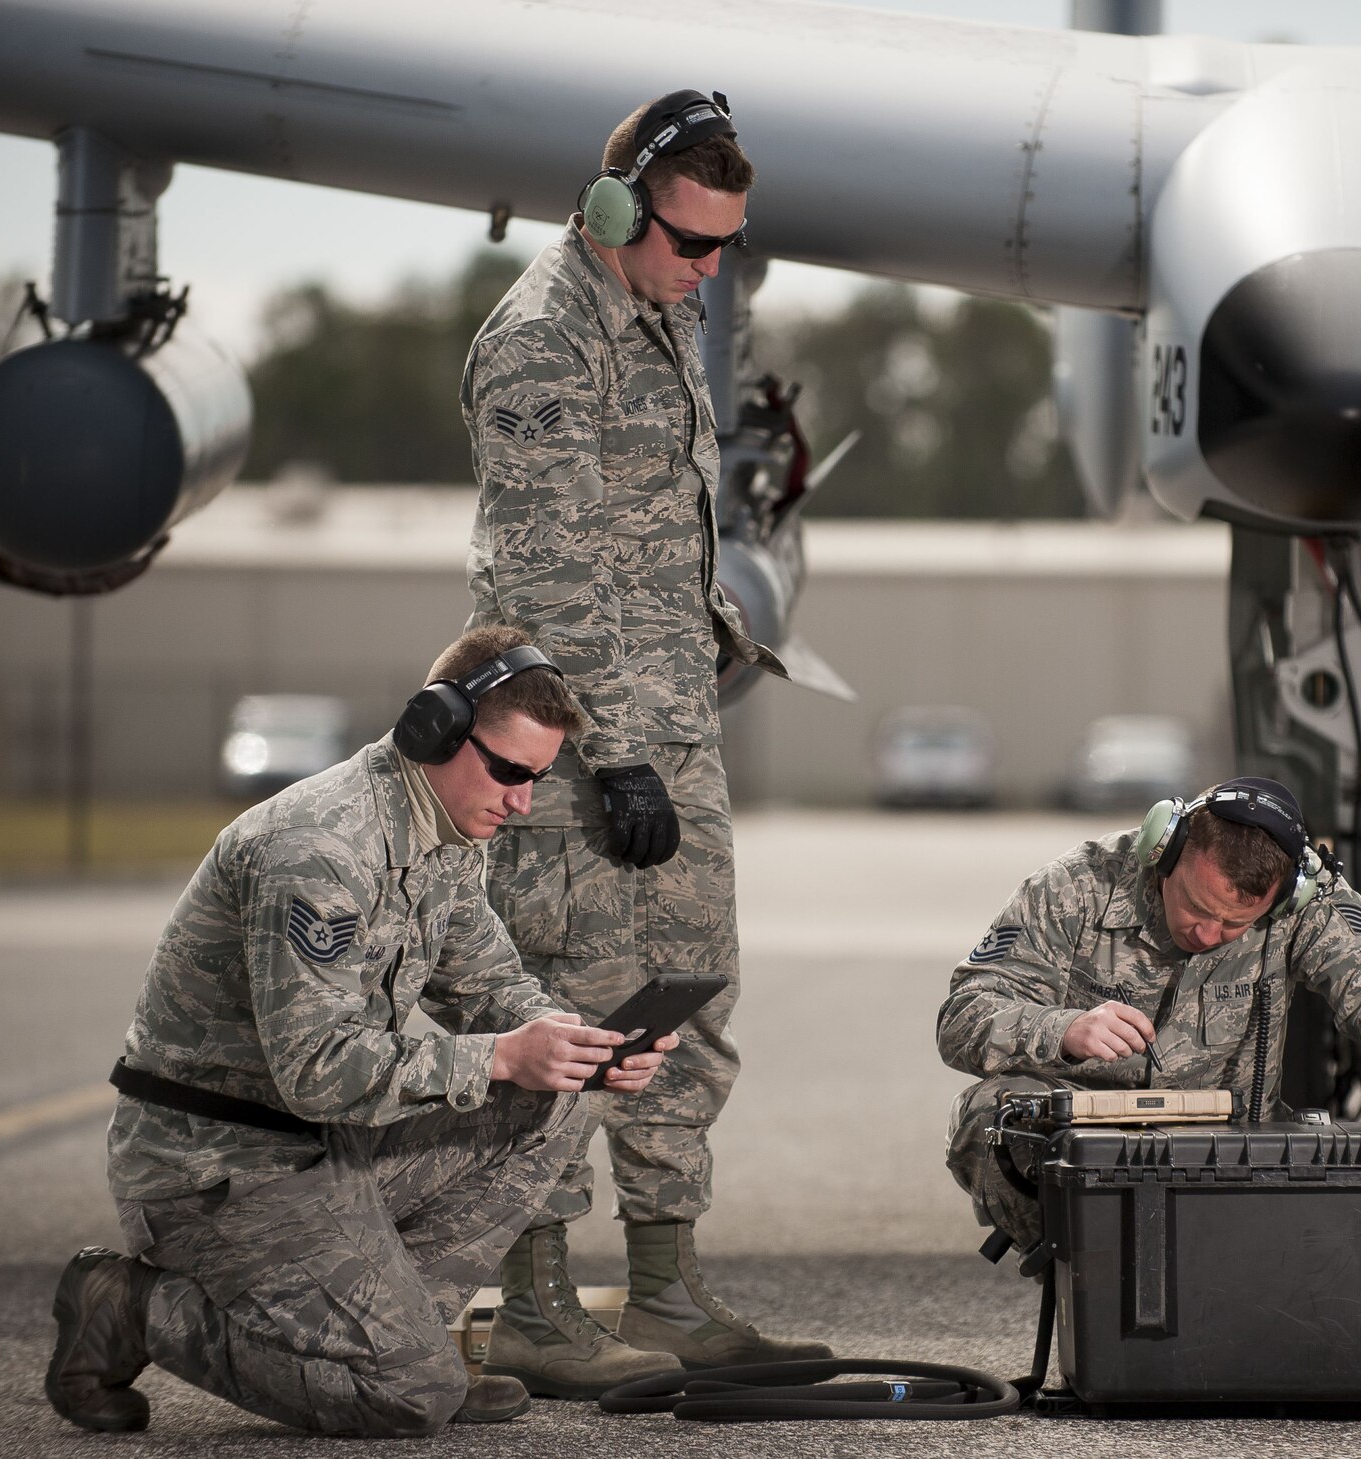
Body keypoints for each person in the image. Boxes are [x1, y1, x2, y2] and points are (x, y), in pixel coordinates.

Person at [44, 626, 682, 1438]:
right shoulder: (317, 847)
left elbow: (491, 988)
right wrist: (499, 1055)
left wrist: (575, 1046)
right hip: (217, 1169)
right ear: (434, 727)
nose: (522, 800)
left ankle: (397, 1347)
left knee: (553, 1099)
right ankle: (138, 1307)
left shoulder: (443, 832)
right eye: (510, 771)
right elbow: (314, 1066)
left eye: (539, 778)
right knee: (406, 1398)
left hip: (322, 1146)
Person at [460, 88, 825, 1389]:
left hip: (672, 733)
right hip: (571, 759)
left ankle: (664, 1284)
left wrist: (718, 629)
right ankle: (540, 1302)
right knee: (567, 1011)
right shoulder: (543, 342)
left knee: (686, 999)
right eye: (691, 242)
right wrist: (607, 755)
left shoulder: (661, 315)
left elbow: (650, 538)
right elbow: (551, 579)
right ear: (618, 208)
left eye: (728, 246)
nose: (710, 270)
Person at [938, 777, 1361, 1252]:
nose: (1209, 934)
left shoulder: (1306, 903)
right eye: (1196, 906)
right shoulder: (1073, 888)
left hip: (1230, 1148)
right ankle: (1089, 1282)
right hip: (1086, 1143)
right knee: (990, 1115)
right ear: (1163, 852)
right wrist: (1061, 1030)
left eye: (1235, 924)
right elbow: (963, 1014)